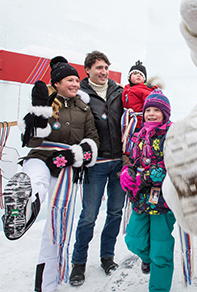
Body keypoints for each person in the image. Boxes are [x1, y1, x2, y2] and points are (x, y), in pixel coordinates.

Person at [2, 56, 99, 292]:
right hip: (40, 156)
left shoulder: (84, 108)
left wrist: (74, 155)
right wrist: (39, 114)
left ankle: (46, 286)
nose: (75, 84)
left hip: (65, 166)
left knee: (56, 226)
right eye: (70, 80)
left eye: (77, 80)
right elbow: (30, 140)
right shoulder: (44, 100)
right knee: (36, 180)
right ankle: (24, 205)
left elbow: (92, 140)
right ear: (56, 83)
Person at [69, 51, 126, 286]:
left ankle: (107, 257)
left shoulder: (119, 92)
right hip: (96, 164)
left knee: (115, 213)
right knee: (88, 216)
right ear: (88, 70)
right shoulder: (80, 95)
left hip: (119, 163)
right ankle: (78, 264)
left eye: (106, 67)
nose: (103, 72)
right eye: (99, 68)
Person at [119, 89, 175, 292]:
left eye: (156, 110)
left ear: (165, 113)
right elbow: (131, 160)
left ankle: (158, 286)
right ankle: (148, 259)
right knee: (133, 240)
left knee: (161, 250)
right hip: (140, 199)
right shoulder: (137, 135)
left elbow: (173, 164)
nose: (151, 114)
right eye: (148, 110)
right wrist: (127, 171)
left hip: (163, 201)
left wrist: (144, 177)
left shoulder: (173, 133)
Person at [121, 60, 164, 156]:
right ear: (129, 77)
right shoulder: (126, 88)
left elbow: (149, 103)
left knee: (137, 139)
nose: (138, 76)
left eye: (141, 75)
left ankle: (135, 154)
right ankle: (128, 152)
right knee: (127, 137)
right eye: (135, 74)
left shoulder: (144, 90)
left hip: (139, 121)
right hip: (128, 121)